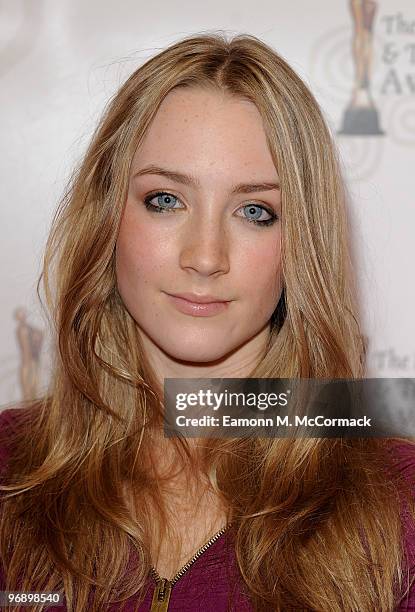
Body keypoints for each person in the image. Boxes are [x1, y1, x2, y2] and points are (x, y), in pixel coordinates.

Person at [0, 32, 414, 612]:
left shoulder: (398, 505)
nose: (205, 255)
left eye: (254, 212)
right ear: (106, 217)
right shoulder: (10, 469)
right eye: (166, 200)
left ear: (303, 247)